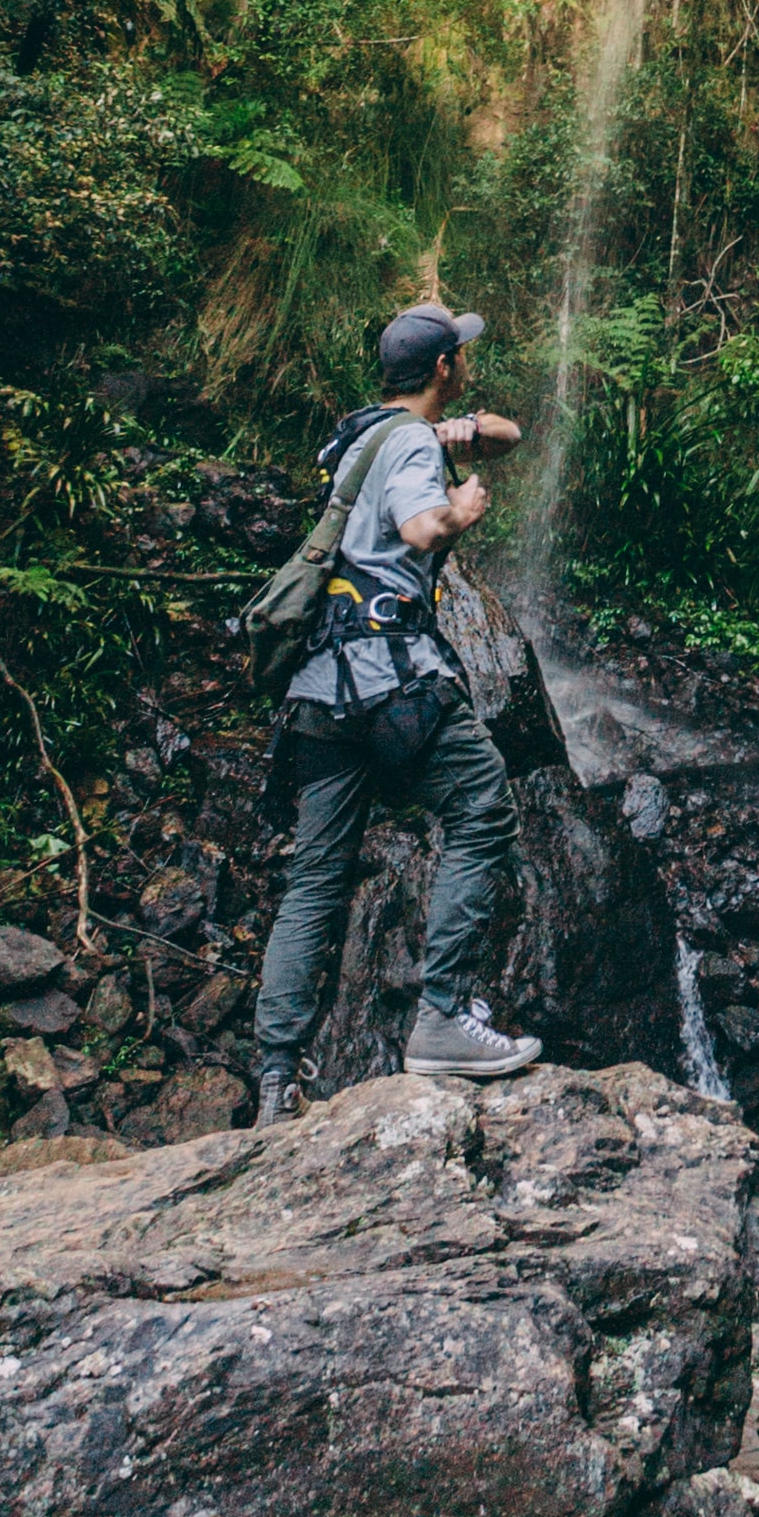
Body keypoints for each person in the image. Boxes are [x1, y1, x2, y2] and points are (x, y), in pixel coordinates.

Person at [252, 301, 543, 1120]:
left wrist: (464, 432)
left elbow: (510, 436)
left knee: (315, 879)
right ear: (445, 368)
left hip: (318, 689)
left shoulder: (355, 437)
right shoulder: (411, 443)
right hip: (391, 678)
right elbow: (421, 526)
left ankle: (277, 1079)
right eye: (461, 358)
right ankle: (442, 1018)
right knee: (484, 809)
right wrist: (461, 513)